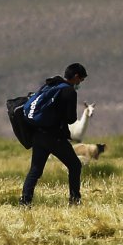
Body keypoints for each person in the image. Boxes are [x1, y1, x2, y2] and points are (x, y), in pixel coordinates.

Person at [20, 63, 87, 207]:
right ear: (76, 77)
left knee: (35, 170)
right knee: (75, 165)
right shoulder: (69, 91)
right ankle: (74, 201)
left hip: (38, 135)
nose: (79, 84)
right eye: (80, 80)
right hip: (55, 137)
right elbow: (71, 118)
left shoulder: (50, 86)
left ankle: (25, 202)